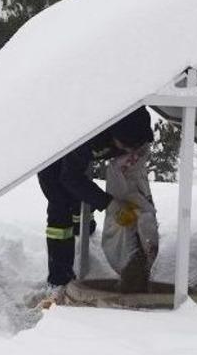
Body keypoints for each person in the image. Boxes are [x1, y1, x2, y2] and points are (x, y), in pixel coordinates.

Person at [37, 106, 153, 287]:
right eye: (124, 146)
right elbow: (70, 177)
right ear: (112, 134)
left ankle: (85, 225)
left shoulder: (135, 121)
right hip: (52, 158)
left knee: (80, 197)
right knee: (61, 208)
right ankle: (60, 279)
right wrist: (110, 204)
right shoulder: (88, 131)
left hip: (76, 158)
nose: (128, 150)